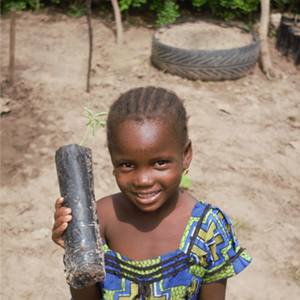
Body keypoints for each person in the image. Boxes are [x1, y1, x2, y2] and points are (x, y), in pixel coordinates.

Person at [52, 86, 251, 300]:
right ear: (112, 158)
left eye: (160, 163)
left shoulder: (209, 229)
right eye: (127, 164)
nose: (143, 180)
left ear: (185, 155)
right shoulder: (97, 218)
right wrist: (76, 250)